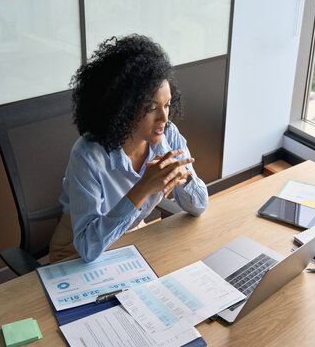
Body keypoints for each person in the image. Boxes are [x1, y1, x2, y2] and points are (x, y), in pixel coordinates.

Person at [49, 35, 209, 263]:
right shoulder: (88, 156)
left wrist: (186, 179)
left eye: (167, 105)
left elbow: (200, 206)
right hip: (74, 254)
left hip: (129, 242)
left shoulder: (168, 135)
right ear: (122, 109)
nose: (164, 117)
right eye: (152, 108)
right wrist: (143, 187)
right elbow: (87, 248)